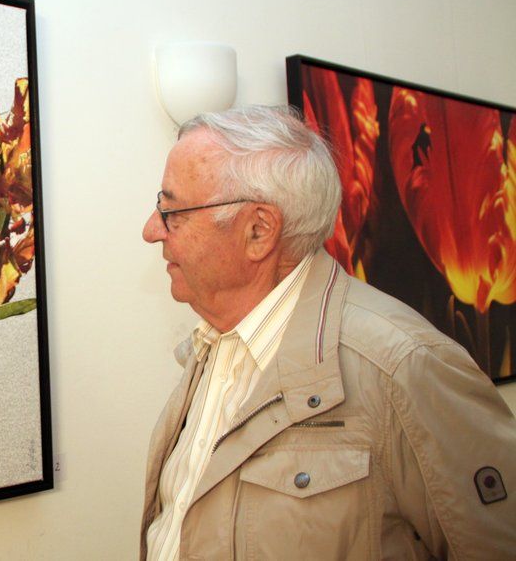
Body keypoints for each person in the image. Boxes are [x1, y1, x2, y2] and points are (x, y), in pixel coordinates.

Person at [139, 105, 516, 560]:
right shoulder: (212, 345)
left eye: (172, 211)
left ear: (258, 231)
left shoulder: (402, 367)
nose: (151, 231)